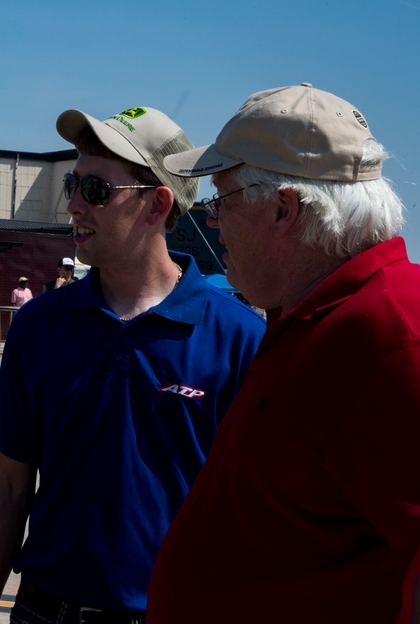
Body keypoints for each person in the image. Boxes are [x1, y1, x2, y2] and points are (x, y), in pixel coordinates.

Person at [0, 105, 265, 623]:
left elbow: (257, 517)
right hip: (44, 612)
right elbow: (10, 483)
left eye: (96, 190)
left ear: (157, 204)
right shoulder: (39, 326)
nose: (75, 205)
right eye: (73, 187)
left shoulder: (240, 338)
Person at [147, 84, 420, 623]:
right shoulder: (313, 317)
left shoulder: (392, 333)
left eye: (221, 200)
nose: (212, 222)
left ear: (281, 209)